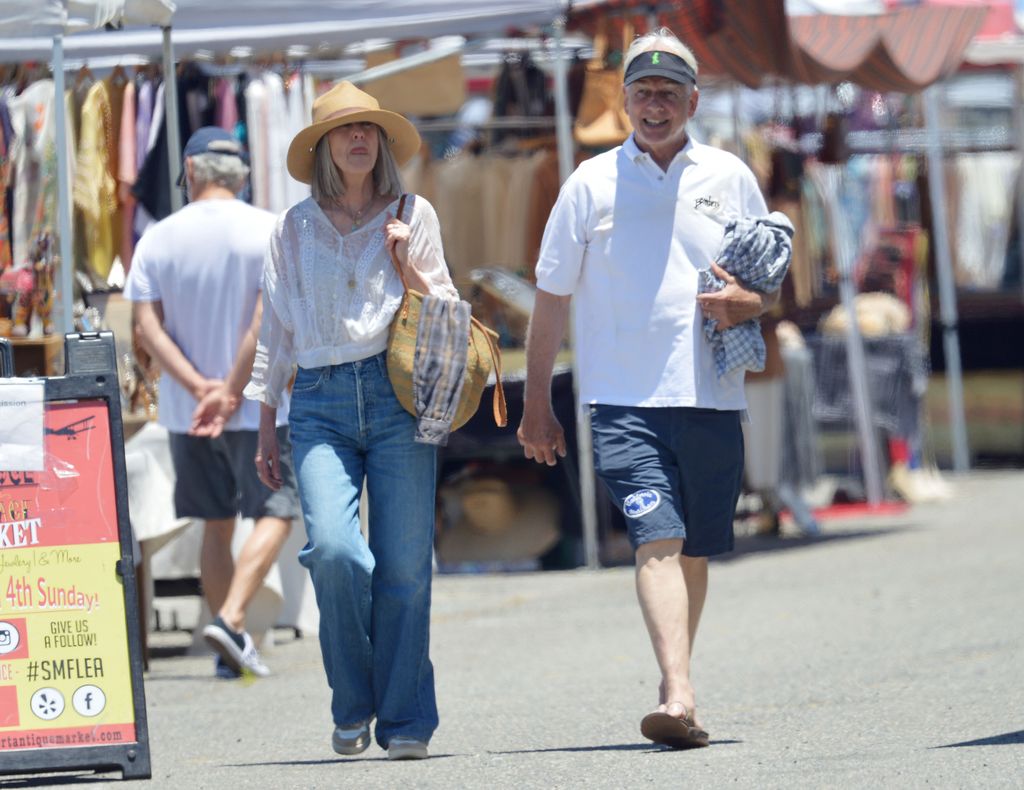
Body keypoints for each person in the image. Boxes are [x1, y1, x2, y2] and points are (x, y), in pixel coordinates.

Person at [518, 28, 782, 750]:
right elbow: (550, 297)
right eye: (642, 92)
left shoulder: (729, 177)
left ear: (693, 100)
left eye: (669, 93)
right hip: (621, 402)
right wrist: (537, 402)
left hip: (710, 395)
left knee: (691, 548)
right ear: (624, 101)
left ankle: (680, 685)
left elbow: (764, 285)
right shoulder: (588, 184)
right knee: (655, 536)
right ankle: (678, 689)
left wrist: (747, 306)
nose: (655, 105)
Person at [243, 82, 458, 761]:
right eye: (344, 131)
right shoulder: (292, 226)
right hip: (319, 399)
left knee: (403, 568)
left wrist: (409, 266)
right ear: (325, 147)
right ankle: (352, 700)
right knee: (334, 551)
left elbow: (445, 308)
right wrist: (265, 420)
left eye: (368, 130)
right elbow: (276, 330)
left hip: (397, 392)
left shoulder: (412, 211)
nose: (359, 139)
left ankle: (404, 721)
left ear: (383, 143)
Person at [125, 126, 300, 680]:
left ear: (191, 172)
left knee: (216, 523)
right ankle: (231, 619)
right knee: (278, 510)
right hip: (259, 403)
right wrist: (228, 389)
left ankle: (233, 639)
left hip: (187, 410)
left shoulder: (158, 236)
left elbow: (145, 326)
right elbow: (263, 318)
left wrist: (200, 388)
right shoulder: (268, 228)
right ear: (243, 175)